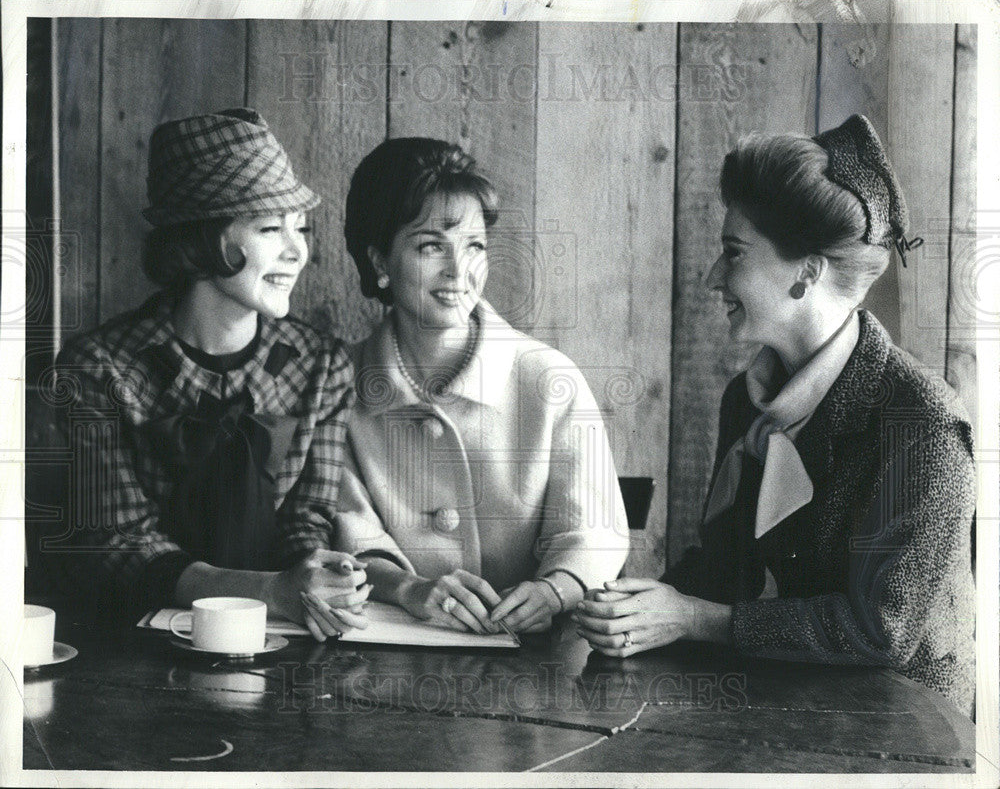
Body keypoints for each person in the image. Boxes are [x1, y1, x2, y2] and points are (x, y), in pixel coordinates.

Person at [574, 115, 976, 715]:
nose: (713, 276)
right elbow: (724, 567)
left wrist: (691, 617)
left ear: (805, 274)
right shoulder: (747, 398)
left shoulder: (921, 423)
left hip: (905, 732)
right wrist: (633, 605)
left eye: (733, 253)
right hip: (788, 701)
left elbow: (880, 632)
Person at [54, 109, 367, 641]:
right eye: (271, 228)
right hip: (128, 646)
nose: (297, 251)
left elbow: (306, 517)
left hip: (281, 637)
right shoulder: (96, 370)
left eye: (301, 228)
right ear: (202, 241)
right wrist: (271, 590)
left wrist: (321, 575)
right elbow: (121, 545)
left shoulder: (323, 367)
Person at [334, 138, 630, 634]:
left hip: (537, 664)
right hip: (381, 657)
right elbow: (350, 538)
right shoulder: (337, 384)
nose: (460, 271)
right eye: (431, 246)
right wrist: (408, 590)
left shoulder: (548, 378)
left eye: (475, 246)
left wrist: (553, 591)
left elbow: (594, 532)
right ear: (380, 262)